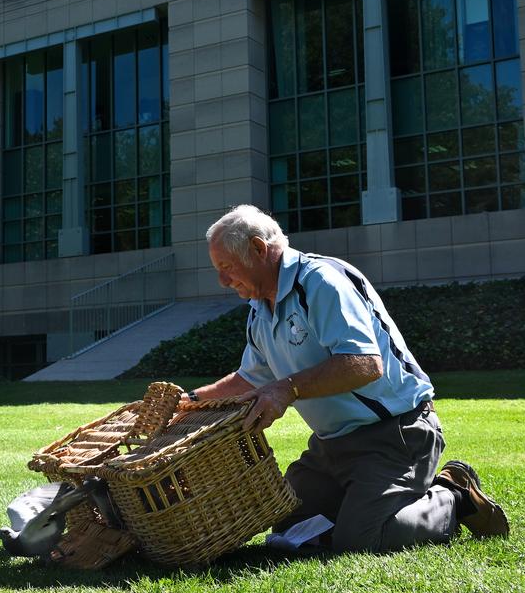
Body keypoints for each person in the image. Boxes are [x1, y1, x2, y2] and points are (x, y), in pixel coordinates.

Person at [189, 204, 507, 553]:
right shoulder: (260, 309)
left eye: (226, 267)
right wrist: (189, 402)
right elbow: (251, 379)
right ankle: (363, 503)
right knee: (286, 524)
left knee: (361, 541)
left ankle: (453, 497)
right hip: (330, 447)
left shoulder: (321, 282)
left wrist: (288, 388)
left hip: (395, 434)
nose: (222, 280)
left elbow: (365, 364)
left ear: (258, 249)